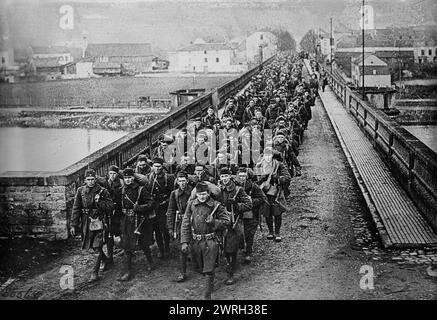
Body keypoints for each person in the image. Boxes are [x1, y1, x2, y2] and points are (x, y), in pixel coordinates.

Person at [180, 182, 230, 300]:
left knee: (209, 269)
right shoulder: (191, 205)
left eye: (204, 194)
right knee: (200, 268)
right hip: (196, 242)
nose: (202, 197)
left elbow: (227, 222)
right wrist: (184, 241)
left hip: (211, 241)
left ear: (208, 194)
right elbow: (186, 223)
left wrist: (214, 222)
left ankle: (207, 296)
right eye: (199, 194)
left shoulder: (216, 205)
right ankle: (210, 282)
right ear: (196, 195)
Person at [70, 169, 114, 282]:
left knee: (97, 246)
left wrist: (99, 202)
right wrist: (73, 225)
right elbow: (76, 208)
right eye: (88, 180)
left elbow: (110, 206)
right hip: (86, 221)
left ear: (96, 179)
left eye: (92, 179)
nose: (90, 182)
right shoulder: (80, 191)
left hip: (99, 221)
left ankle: (94, 273)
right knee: (92, 246)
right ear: (85, 180)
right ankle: (106, 260)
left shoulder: (103, 191)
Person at [118, 168, 157, 281]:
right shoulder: (122, 190)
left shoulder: (141, 190)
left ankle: (150, 262)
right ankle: (127, 271)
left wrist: (140, 208)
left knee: (143, 243)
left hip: (138, 220)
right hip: (125, 220)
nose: (128, 180)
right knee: (127, 245)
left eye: (130, 177)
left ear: (133, 178)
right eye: (125, 178)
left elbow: (152, 203)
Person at [219, 167, 252, 285]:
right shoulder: (219, 189)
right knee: (223, 246)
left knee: (231, 248)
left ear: (230, 176)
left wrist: (237, 205)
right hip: (222, 222)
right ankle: (228, 263)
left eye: (226, 176)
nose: (224, 179)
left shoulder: (238, 190)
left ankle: (231, 274)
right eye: (222, 177)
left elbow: (249, 205)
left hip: (235, 221)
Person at [255, 149, 291, 242]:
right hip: (263, 192)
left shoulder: (279, 165)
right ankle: (270, 232)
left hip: (276, 192)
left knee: (277, 212)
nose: (267, 157)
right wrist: (261, 179)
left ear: (272, 156)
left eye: (269, 155)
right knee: (267, 212)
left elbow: (287, 177)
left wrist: (278, 178)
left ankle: (277, 232)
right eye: (265, 155)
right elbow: (254, 180)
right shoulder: (259, 165)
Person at [144, 157, 175, 258]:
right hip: (153, 207)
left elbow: (172, 192)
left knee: (165, 228)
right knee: (156, 228)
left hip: (164, 206)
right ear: (152, 167)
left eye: (159, 166)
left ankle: (167, 247)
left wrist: (167, 202)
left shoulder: (168, 178)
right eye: (155, 166)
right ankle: (161, 249)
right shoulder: (148, 177)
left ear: (162, 167)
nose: (157, 168)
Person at [235, 167, 268, 264]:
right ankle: (241, 249)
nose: (242, 178)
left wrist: (251, 202)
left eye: (244, 176)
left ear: (248, 176)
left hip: (251, 213)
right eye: (240, 176)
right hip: (238, 213)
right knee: (239, 232)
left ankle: (248, 252)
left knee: (249, 234)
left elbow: (263, 198)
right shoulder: (234, 186)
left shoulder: (253, 187)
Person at [166, 171, 193, 282]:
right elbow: (171, 210)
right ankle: (182, 272)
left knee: (196, 245)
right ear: (177, 181)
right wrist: (170, 227)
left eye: (184, 180)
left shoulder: (193, 192)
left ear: (187, 180)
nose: (182, 183)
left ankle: (199, 266)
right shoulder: (174, 194)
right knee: (181, 246)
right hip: (181, 222)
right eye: (180, 181)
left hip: (193, 221)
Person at [96, 165, 123, 267]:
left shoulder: (120, 183)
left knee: (119, 231)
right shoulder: (104, 183)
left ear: (117, 174)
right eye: (111, 173)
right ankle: (110, 257)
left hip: (118, 211)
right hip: (107, 211)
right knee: (108, 234)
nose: (112, 176)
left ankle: (127, 250)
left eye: (114, 174)